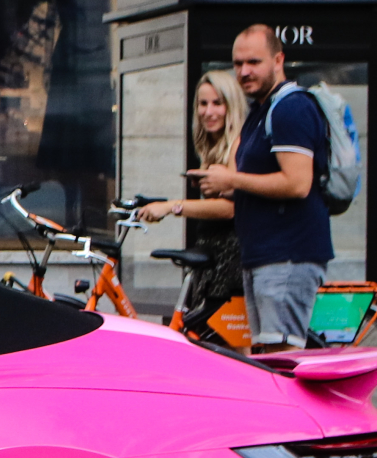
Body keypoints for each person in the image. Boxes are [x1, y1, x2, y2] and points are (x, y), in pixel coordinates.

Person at [193, 25, 330, 350]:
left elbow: (297, 184)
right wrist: (226, 188)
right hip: (262, 255)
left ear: (278, 59)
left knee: (282, 360)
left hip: (288, 255)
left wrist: (232, 180)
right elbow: (262, 183)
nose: (244, 71)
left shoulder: (290, 108)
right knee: (267, 359)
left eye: (254, 62)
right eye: (238, 64)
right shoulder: (261, 111)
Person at [135, 70, 246, 335]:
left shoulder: (237, 144)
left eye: (217, 103)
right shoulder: (213, 146)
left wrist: (173, 206)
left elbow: (230, 209)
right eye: (202, 104)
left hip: (231, 259)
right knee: (205, 339)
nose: (208, 112)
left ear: (232, 106)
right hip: (211, 255)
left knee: (232, 345)